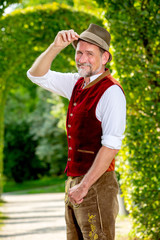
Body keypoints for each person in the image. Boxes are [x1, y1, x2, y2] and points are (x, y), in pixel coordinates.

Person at [27, 23, 126, 240]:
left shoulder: (111, 92)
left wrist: (84, 186)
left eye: (90, 54)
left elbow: (111, 146)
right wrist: (55, 47)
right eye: (79, 52)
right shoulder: (76, 83)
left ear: (105, 58)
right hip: (74, 182)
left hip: (97, 184)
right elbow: (36, 75)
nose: (82, 59)